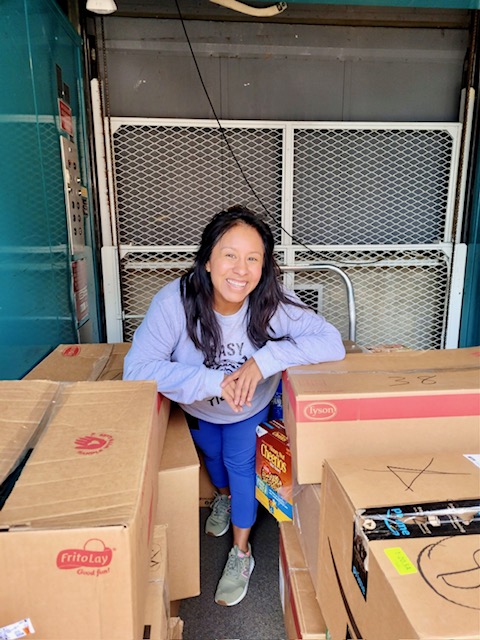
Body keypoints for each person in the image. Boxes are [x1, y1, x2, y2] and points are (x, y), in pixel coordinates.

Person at [123, 205, 346, 607]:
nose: (240, 270)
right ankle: (222, 497)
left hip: (250, 409)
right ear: (207, 259)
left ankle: (241, 552)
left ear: (264, 266)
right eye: (229, 255)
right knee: (213, 456)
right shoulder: (175, 301)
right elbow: (136, 370)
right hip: (200, 408)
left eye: (253, 258)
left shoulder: (270, 301)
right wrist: (214, 383)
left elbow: (331, 341)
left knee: (241, 465)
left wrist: (264, 360)